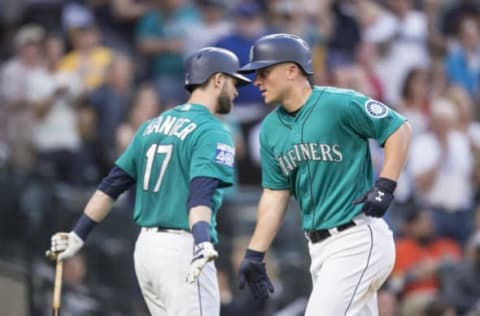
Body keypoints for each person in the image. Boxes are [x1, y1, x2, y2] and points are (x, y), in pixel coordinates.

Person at [48, 46, 251, 315]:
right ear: (217, 80)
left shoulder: (151, 126)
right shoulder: (214, 131)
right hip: (183, 248)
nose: (236, 91)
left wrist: (77, 235)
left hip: (146, 252)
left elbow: (111, 185)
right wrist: (203, 241)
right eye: (234, 82)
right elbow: (199, 196)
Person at [236, 33, 411, 316]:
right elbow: (275, 194)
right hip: (319, 249)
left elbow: (398, 129)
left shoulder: (338, 103)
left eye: (264, 72)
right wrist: (255, 252)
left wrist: (385, 184)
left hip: (357, 238)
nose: (257, 80)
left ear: (292, 70)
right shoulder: (269, 129)